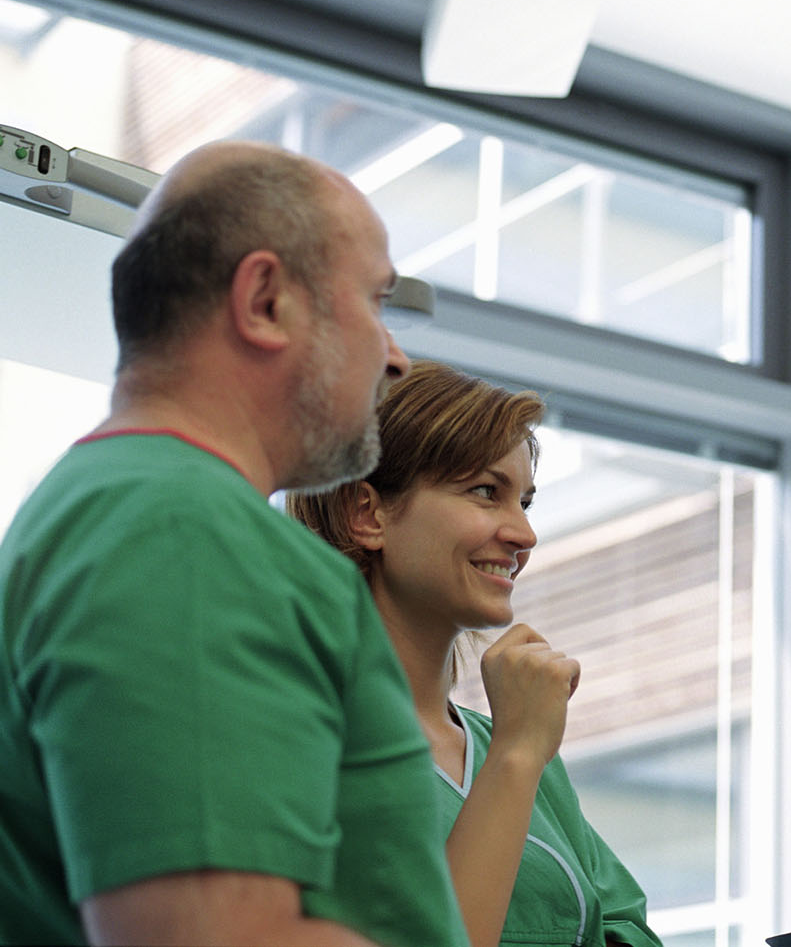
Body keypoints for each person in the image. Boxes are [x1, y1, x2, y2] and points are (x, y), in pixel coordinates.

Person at [0, 140, 468, 946]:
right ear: (265, 302)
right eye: (376, 302)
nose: (396, 358)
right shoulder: (186, 535)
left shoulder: (121, 510)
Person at [289, 360, 661, 947]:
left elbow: (626, 928)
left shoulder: (511, 741)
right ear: (368, 513)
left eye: (526, 502)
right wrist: (516, 755)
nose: (524, 534)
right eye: (485, 492)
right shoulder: (301, 740)